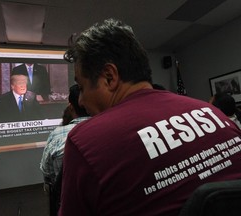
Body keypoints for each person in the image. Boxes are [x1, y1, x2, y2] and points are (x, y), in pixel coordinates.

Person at [59, 18, 241, 216]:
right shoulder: (213, 113)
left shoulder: (85, 142)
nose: (82, 101)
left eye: (82, 88)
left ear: (109, 77)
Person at [40, 84, 90, 216]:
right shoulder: (107, 129)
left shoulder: (57, 135)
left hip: (66, 202)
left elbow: (47, 171)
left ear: (71, 106)